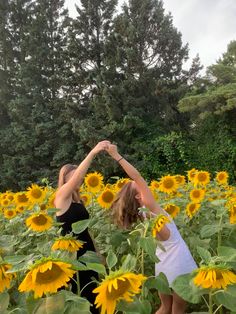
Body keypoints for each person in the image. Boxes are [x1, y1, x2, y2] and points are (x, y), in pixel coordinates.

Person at [105, 143, 197, 314]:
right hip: (179, 264)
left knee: (165, 307)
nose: (141, 184)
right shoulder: (150, 208)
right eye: (138, 186)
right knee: (178, 309)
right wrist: (116, 155)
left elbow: (138, 180)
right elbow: (137, 176)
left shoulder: (144, 215)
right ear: (140, 196)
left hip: (162, 264)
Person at [54, 140, 110, 314]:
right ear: (65, 179)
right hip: (70, 254)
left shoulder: (79, 200)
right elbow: (77, 178)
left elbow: (85, 229)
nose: (79, 178)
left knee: (92, 293)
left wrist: (98, 253)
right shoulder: (62, 195)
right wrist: (93, 152)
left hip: (87, 251)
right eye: (73, 176)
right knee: (76, 296)